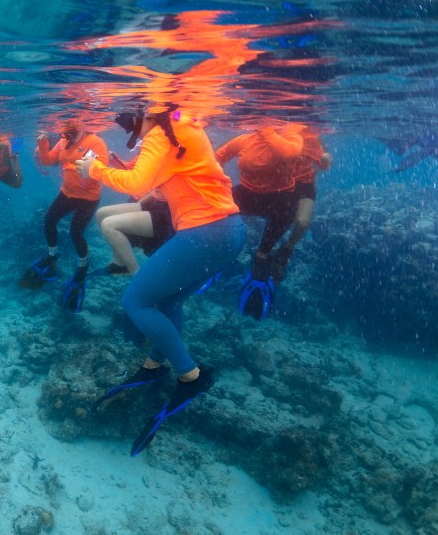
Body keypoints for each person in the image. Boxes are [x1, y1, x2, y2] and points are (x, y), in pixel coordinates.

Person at [75, 105, 245, 456]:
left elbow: (138, 182)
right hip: (229, 232)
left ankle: (190, 376)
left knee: (135, 302)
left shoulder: (161, 131)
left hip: (204, 233)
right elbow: (163, 187)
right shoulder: (183, 129)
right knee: (168, 302)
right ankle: (155, 363)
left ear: (147, 112)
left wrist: (94, 169)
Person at [214, 123, 304, 319]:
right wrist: (218, 182)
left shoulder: (292, 133)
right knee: (215, 210)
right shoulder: (245, 140)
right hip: (248, 194)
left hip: (280, 198)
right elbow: (217, 157)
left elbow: (289, 153)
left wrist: (266, 129)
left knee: (289, 209)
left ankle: (262, 260)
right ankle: (218, 255)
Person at [19, 123, 107, 313]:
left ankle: (83, 264)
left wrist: (73, 166)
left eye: (67, 131)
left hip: (88, 197)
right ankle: (53, 254)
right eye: (63, 131)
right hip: (67, 193)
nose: (64, 133)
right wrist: (42, 144)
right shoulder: (63, 141)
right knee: (49, 219)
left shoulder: (95, 142)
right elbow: (48, 161)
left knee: (76, 232)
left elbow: (99, 171)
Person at [267, 125, 332, 280]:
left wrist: (325, 160)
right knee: (277, 221)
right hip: (281, 183)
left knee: (302, 222)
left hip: (305, 184)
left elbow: (322, 164)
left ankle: (288, 248)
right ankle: (264, 255)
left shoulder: (310, 137)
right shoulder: (277, 133)